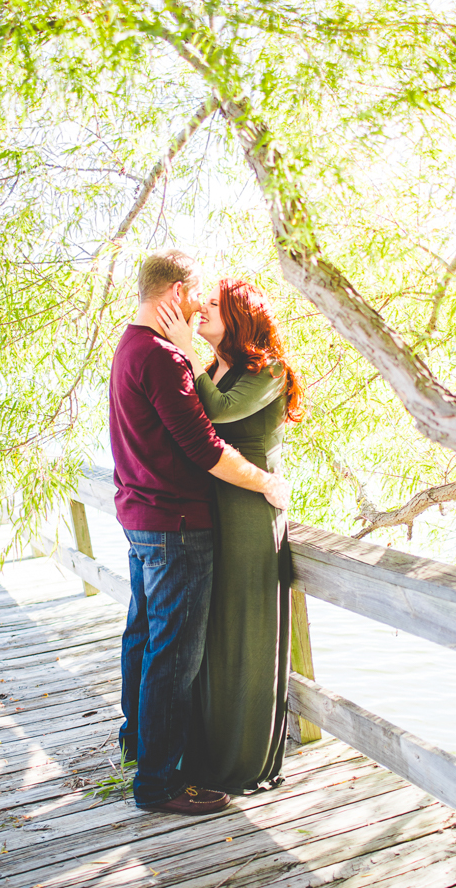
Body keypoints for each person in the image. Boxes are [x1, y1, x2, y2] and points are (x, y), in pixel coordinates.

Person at [110, 249, 290, 815]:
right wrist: (264, 480)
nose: (200, 305)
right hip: (177, 525)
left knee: (143, 639)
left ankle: (140, 748)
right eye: (196, 295)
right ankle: (160, 783)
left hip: (144, 518)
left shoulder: (129, 345)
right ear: (175, 294)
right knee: (173, 656)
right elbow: (207, 450)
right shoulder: (166, 357)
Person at [156, 278, 301, 793]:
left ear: (239, 315)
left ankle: (243, 760)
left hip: (248, 516)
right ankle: (205, 751)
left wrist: (187, 352)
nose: (201, 310)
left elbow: (217, 413)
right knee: (212, 634)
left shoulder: (269, 370)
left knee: (245, 633)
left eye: (213, 305)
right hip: (210, 508)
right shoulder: (213, 367)